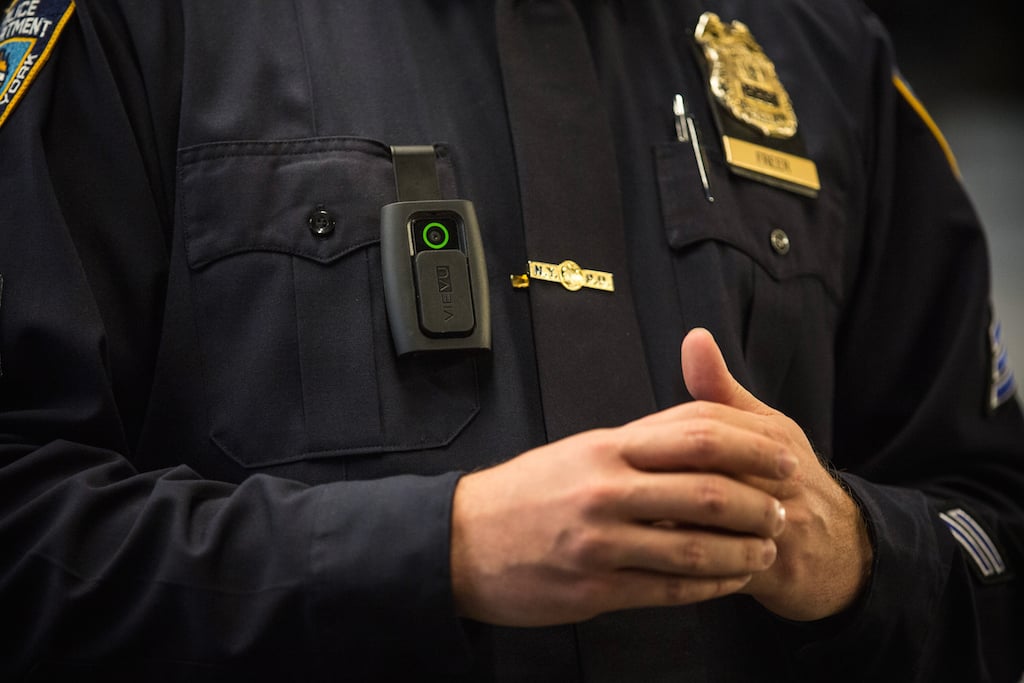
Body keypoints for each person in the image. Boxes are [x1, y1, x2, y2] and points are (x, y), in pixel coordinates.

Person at [1, 0, 1021, 680]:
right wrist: (440, 550)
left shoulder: (824, 49)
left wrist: (855, 550)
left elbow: (995, 533)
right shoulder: (134, 25)